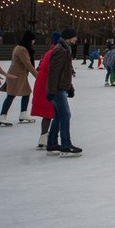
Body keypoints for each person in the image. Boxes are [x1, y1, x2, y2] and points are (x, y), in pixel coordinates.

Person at [46, 27, 81, 157]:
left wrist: (69, 87)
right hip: (57, 89)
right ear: (69, 37)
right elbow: (53, 72)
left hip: (60, 87)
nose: (76, 39)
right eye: (75, 36)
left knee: (59, 116)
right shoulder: (61, 50)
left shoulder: (64, 49)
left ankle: (52, 144)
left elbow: (64, 72)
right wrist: (51, 90)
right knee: (65, 115)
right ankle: (66, 145)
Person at [0, 30, 38, 126]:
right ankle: (2, 116)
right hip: (15, 76)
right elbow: (28, 65)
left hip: (21, 76)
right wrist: (38, 76)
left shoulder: (22, 47)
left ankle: (23, 114)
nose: (34, 42)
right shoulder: (22, 49)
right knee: (11, 95)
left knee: (27, 93)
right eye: (33, 40)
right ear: (29, 40)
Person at [31, 32, 58, 149]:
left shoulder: (47, 53)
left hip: (42, 84)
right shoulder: (55, 53)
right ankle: (52, 140)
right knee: (58, 113)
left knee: (48, 114)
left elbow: (39, 68)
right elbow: (55, 71)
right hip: (49, 85)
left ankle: (43, 137)